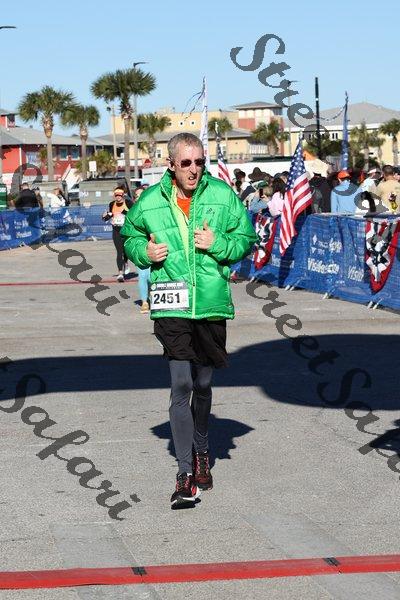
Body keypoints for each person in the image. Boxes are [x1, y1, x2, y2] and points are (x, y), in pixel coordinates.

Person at [121, 132, 257, 508]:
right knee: (181, 384)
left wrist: (218, 244)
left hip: (210, 303)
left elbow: (247, 238)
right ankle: (184, 474)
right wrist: (145, 252)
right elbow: (130, 236)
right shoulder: (150, 201)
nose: (194, 169)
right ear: (171, 165)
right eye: (186, 163)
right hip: (171, 304)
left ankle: (202, 449)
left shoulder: (223, 196)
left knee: (203, 384)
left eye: (199, 162)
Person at [102, 187, 133, 282]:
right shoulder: (112, 204)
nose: (118, 197)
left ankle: (126, 263)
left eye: (119, 195)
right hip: (116, 230)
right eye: (116, 195)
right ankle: (120, 273)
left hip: (126, 230)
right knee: (119, 252)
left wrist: (125, 212)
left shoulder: (128, 203)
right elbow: (109, 216)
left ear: (123, 195)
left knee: (126, 250)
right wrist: (105, 216)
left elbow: (134, 215)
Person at [133, 186, 151, 313]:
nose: (139, 198)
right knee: (143, 275)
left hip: (154, 245)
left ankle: (153, 297)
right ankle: (144, 302)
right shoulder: (133, 213)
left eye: (141, 195)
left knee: (151, 277)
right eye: (136, 196)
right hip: (140, 247)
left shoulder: (152, 210)